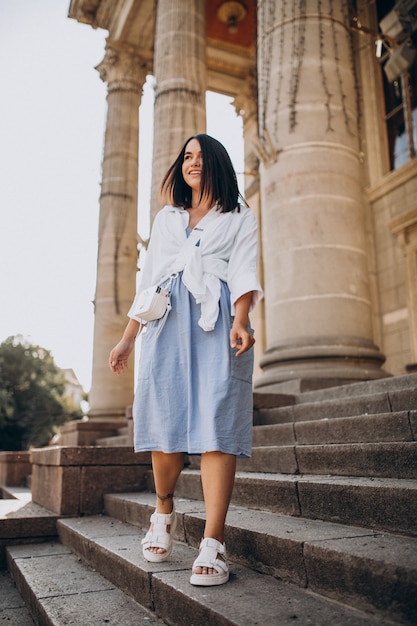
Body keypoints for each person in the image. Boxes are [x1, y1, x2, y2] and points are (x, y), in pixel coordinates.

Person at [109, 133, 263, 586]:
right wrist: (126, 339)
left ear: (216, 163)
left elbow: (245, 269)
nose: (192, 163)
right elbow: (150, 278)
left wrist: (242, 320)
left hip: (216, 322)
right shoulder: (167, 219)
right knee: (164, 421)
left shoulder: (239, 216)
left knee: (217, 426)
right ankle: (163, 509)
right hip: (165, 322)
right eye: (186, 157)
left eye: (200, 156)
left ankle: (213, 543)